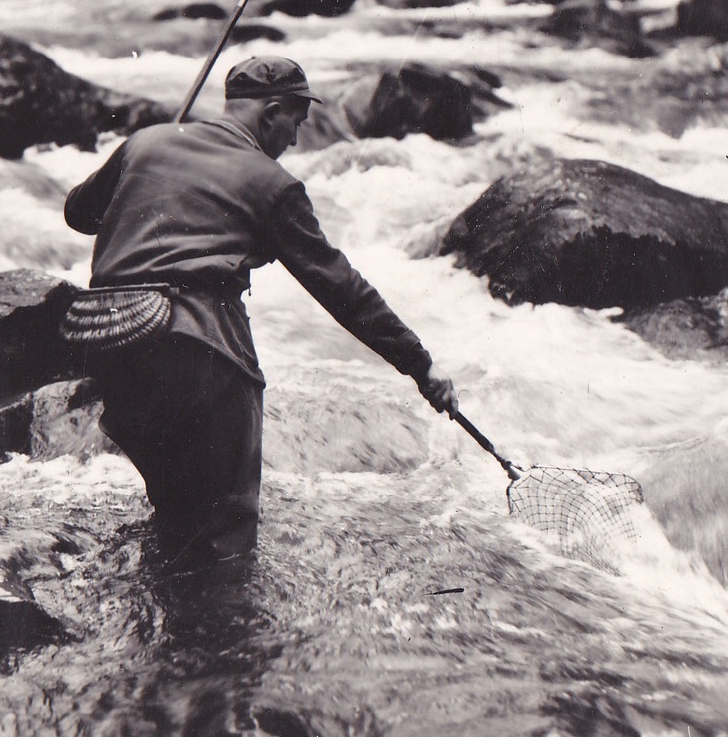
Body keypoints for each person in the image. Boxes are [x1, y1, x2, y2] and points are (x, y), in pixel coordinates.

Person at [64, 56, 459, 567]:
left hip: (109, 338)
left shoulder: (148, 142)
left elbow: (78, 213)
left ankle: (167, 634)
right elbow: (341, 288)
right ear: (272, 112)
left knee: (175, 507)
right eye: (296, 122)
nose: (294, 140)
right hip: (197, 346)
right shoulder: (272, 184)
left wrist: (136, 160)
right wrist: (421, 365)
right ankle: (227, 640)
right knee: (225, 527)